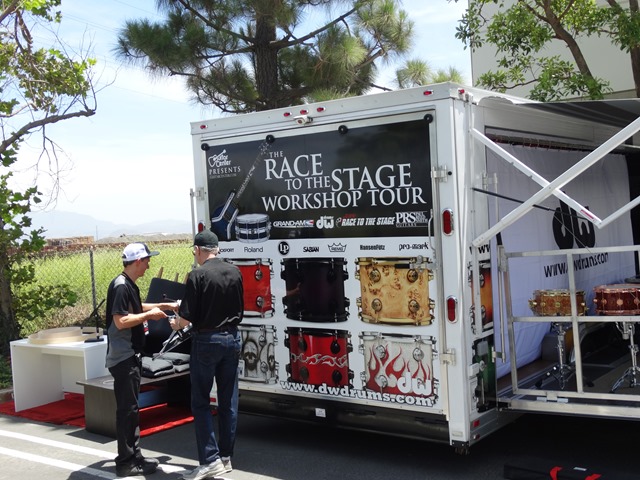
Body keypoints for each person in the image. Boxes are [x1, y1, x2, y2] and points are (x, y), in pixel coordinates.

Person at [170, 230, 243, 480]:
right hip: (232, 337)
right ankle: (226, 457)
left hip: (207, 341)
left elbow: (186, 318)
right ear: (217, 249)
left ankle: (210, 460)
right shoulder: (235, 271)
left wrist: (176, 324)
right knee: (228, 400)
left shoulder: (197, 275)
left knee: (201, 401)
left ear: (198, 250)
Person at [105, 242, 178, 477]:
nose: (148, 265)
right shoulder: (120, 286)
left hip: (130, 355)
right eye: (147, 260)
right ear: (137, 261)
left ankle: (134, 457)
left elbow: (136, 307)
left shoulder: (128, 284)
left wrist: (163, 306)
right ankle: (126, 462)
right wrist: (149, 316)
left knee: (132, 410)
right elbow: (120, 321)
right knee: (127, 411)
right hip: (123, 356)